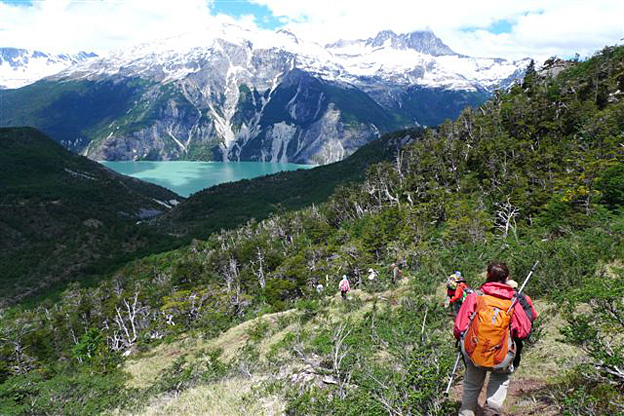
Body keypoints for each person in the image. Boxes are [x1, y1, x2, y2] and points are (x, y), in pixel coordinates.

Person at [454, 263, 535, 416]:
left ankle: (466, 412)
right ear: (507, 279)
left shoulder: (476, 296)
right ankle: (491, 411)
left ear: (487, 276)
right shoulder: (513, 301)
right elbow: (523, 331)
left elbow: (459, 327)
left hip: (475, 350)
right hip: (501, 355)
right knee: (500, 377)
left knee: (472, 383)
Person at [506, 279, 538, 369]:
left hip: (507, 328)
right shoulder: (525, 297)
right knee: (518, 346)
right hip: (520, 328)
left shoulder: (505, 297)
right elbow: (534, 314)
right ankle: (515, 366)